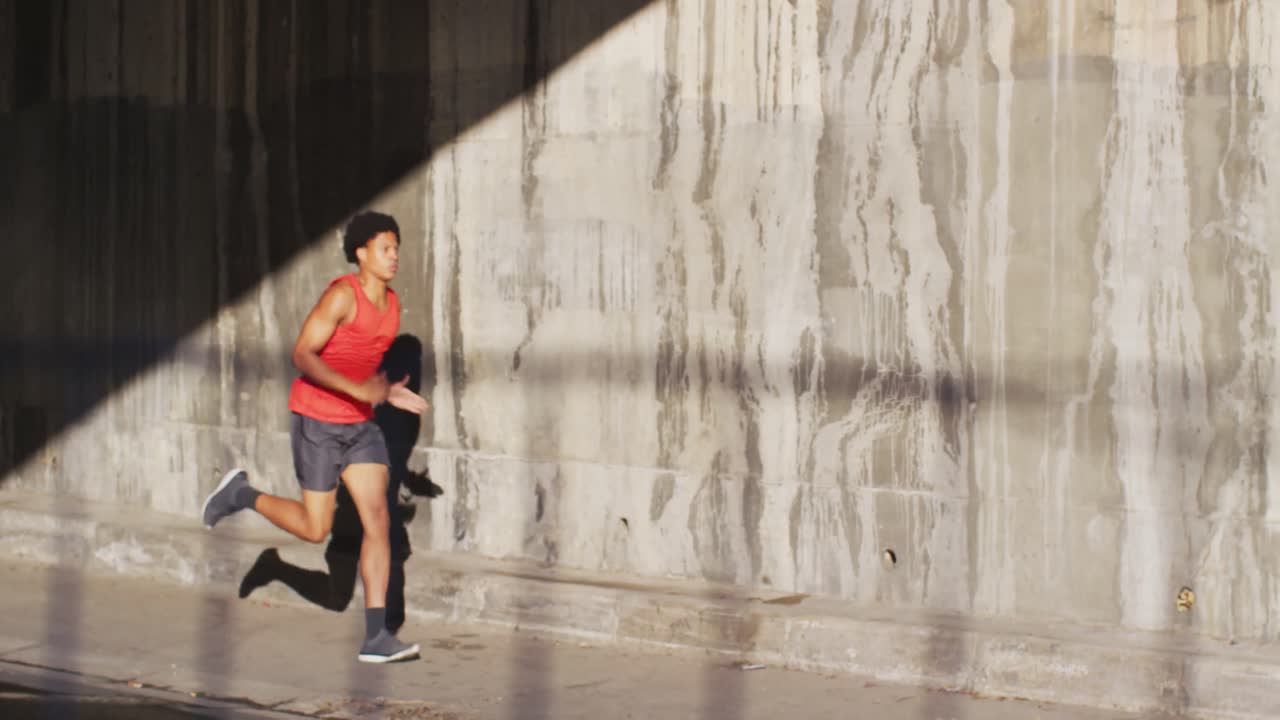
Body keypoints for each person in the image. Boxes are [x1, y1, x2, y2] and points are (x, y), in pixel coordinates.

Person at [200, 211, 429, 664]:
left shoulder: (394, 306)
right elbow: (303, 354)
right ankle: (242, 494)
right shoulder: (342, 297)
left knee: (379, 520)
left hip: (361, 426)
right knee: (314, 527)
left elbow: (360, 362)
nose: (394, 257)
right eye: (385, 248)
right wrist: (360, 390)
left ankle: (377, 637)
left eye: (397, 249)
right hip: (318, 420)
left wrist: (386, 390)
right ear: (361, 253)